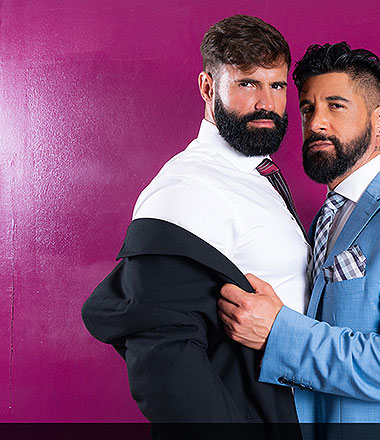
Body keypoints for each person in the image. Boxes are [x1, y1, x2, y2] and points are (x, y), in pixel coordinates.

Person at [218, 42, 380, 431]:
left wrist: (279, 332)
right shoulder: (326, 218)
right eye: (307, 109)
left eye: (336, 106)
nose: (316, 122)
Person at [81, 15, 308, 436]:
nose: (266, 102)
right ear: (208, 87)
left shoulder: (254, 176)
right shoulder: (188, 188)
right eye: (247, 83)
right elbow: (163, 362)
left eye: (276, 85)